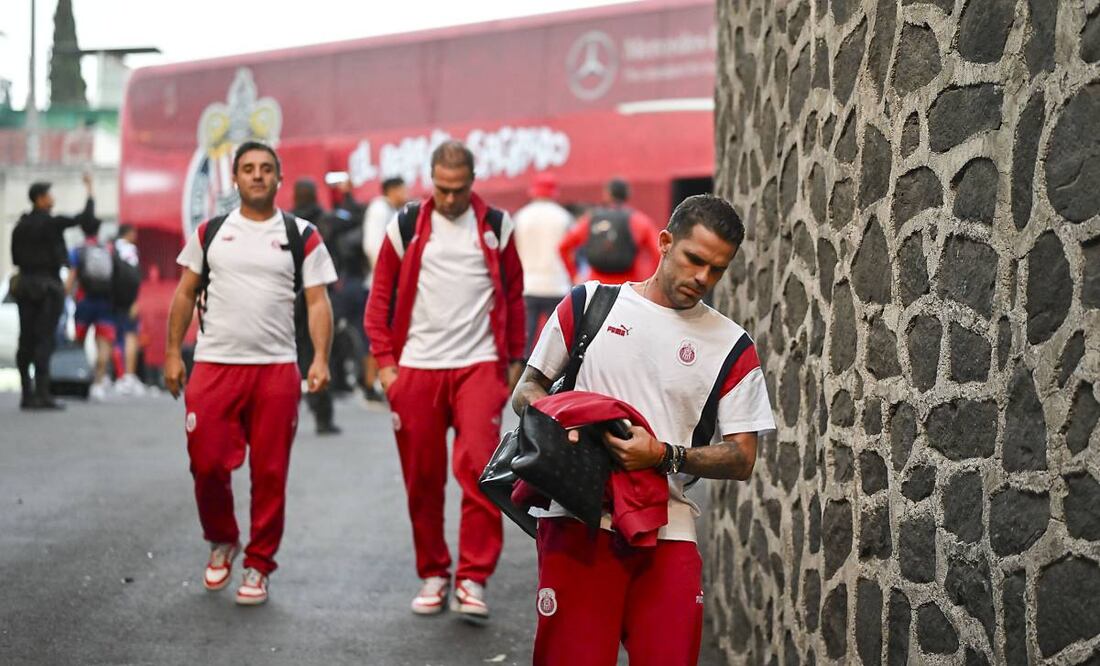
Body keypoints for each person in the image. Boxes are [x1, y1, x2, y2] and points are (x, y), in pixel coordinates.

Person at [513, 194, 776, 665]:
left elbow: (742, 457)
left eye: (717, 269)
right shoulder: (589, 304)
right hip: (578, 520)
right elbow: (527, 389)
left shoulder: (733, 345)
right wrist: (566, 421)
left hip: (669, 530)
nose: (703, 278)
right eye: (695, 260)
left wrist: (663, 456)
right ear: (665, 242)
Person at [164, 141, 337, 605]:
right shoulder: (211, 232)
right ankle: (222, 538)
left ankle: (259, 564)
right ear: (235, 179)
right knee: (207, 463)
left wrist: (319, 358)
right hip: (215, 365)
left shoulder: (301, 234)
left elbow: (318, 302)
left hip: (276, 370)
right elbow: (184, 295)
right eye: (248, 169)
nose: (257, 176)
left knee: (271, 473)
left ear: (278, 179)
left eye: (265, 169)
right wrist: (172, 354)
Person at [365, 140, 525, 622]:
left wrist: (513, 360)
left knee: (481, 471)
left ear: (472, 182)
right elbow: (379, 298)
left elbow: (515, 296)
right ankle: (434, 572)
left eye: (458, 190)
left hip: (478, 366)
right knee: (422, 480)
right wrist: (387, 366)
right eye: (441, 188)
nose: (450, 199)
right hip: (416, 369)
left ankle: (473, 578)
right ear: (430, 180)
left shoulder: (498, 226)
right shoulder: (407, 225)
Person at [10, 174, 95, 410]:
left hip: (25, 286)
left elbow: (15, 258)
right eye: (48, 195)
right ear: (40, 199)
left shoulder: (20, 227)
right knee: (45, 339)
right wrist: (90, 191)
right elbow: (85, 219)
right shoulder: (51, 223)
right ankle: (42, 393)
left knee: (26, 339)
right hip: (48, 287)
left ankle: (27, 393)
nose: (52, 199)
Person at [291, 178, 340, 434]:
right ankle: (322, 414)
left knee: (290, 356)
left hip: (291, 299)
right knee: (320, 355)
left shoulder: (287, 224)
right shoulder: (323, 222)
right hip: (318, 295)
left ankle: (286, 414)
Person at [512, 173, 573, 357]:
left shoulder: (521, 216)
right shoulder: (564, 217)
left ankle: (518, 380)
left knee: (525, 341)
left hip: (528, 285)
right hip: (557, 285)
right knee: (555, 345)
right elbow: (572, 252)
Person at [558, 177, 660, 286]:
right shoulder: (640, 221)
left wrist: (574, 275)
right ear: (628, 195)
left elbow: (563, 246)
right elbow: (659, 252)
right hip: (629, 286)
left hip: (597, 286)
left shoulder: (591, 220)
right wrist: (652, 280)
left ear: (607, 194)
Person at [360, 175, 408, 400]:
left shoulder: (390, 210)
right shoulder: (379, 210)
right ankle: (370, 384)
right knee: (380, 333)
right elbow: (372, 246)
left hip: (389, 283)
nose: (405, 194)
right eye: (402, 190)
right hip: (383, 285)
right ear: (392, 190)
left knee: (386, 333)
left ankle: (374, 383)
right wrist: (387, 279)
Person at [66, 216, 118, 401]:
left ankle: (76, 376)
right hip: (105, 302)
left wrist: (65, 296)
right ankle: (98, 383)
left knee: (78, 342)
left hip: (84, 301)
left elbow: (72, 278)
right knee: (104, 343)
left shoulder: (77, 251)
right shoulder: (108, 249)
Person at [111, 224, 146, 396]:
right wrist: (134, 300)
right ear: (129, 233)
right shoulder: (129, 249)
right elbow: (133, 277)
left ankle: (117, 376)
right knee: (130, 336)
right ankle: (129, 376)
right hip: (127, 301)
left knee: (114, 338)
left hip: (112, 301)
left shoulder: (111, 247)